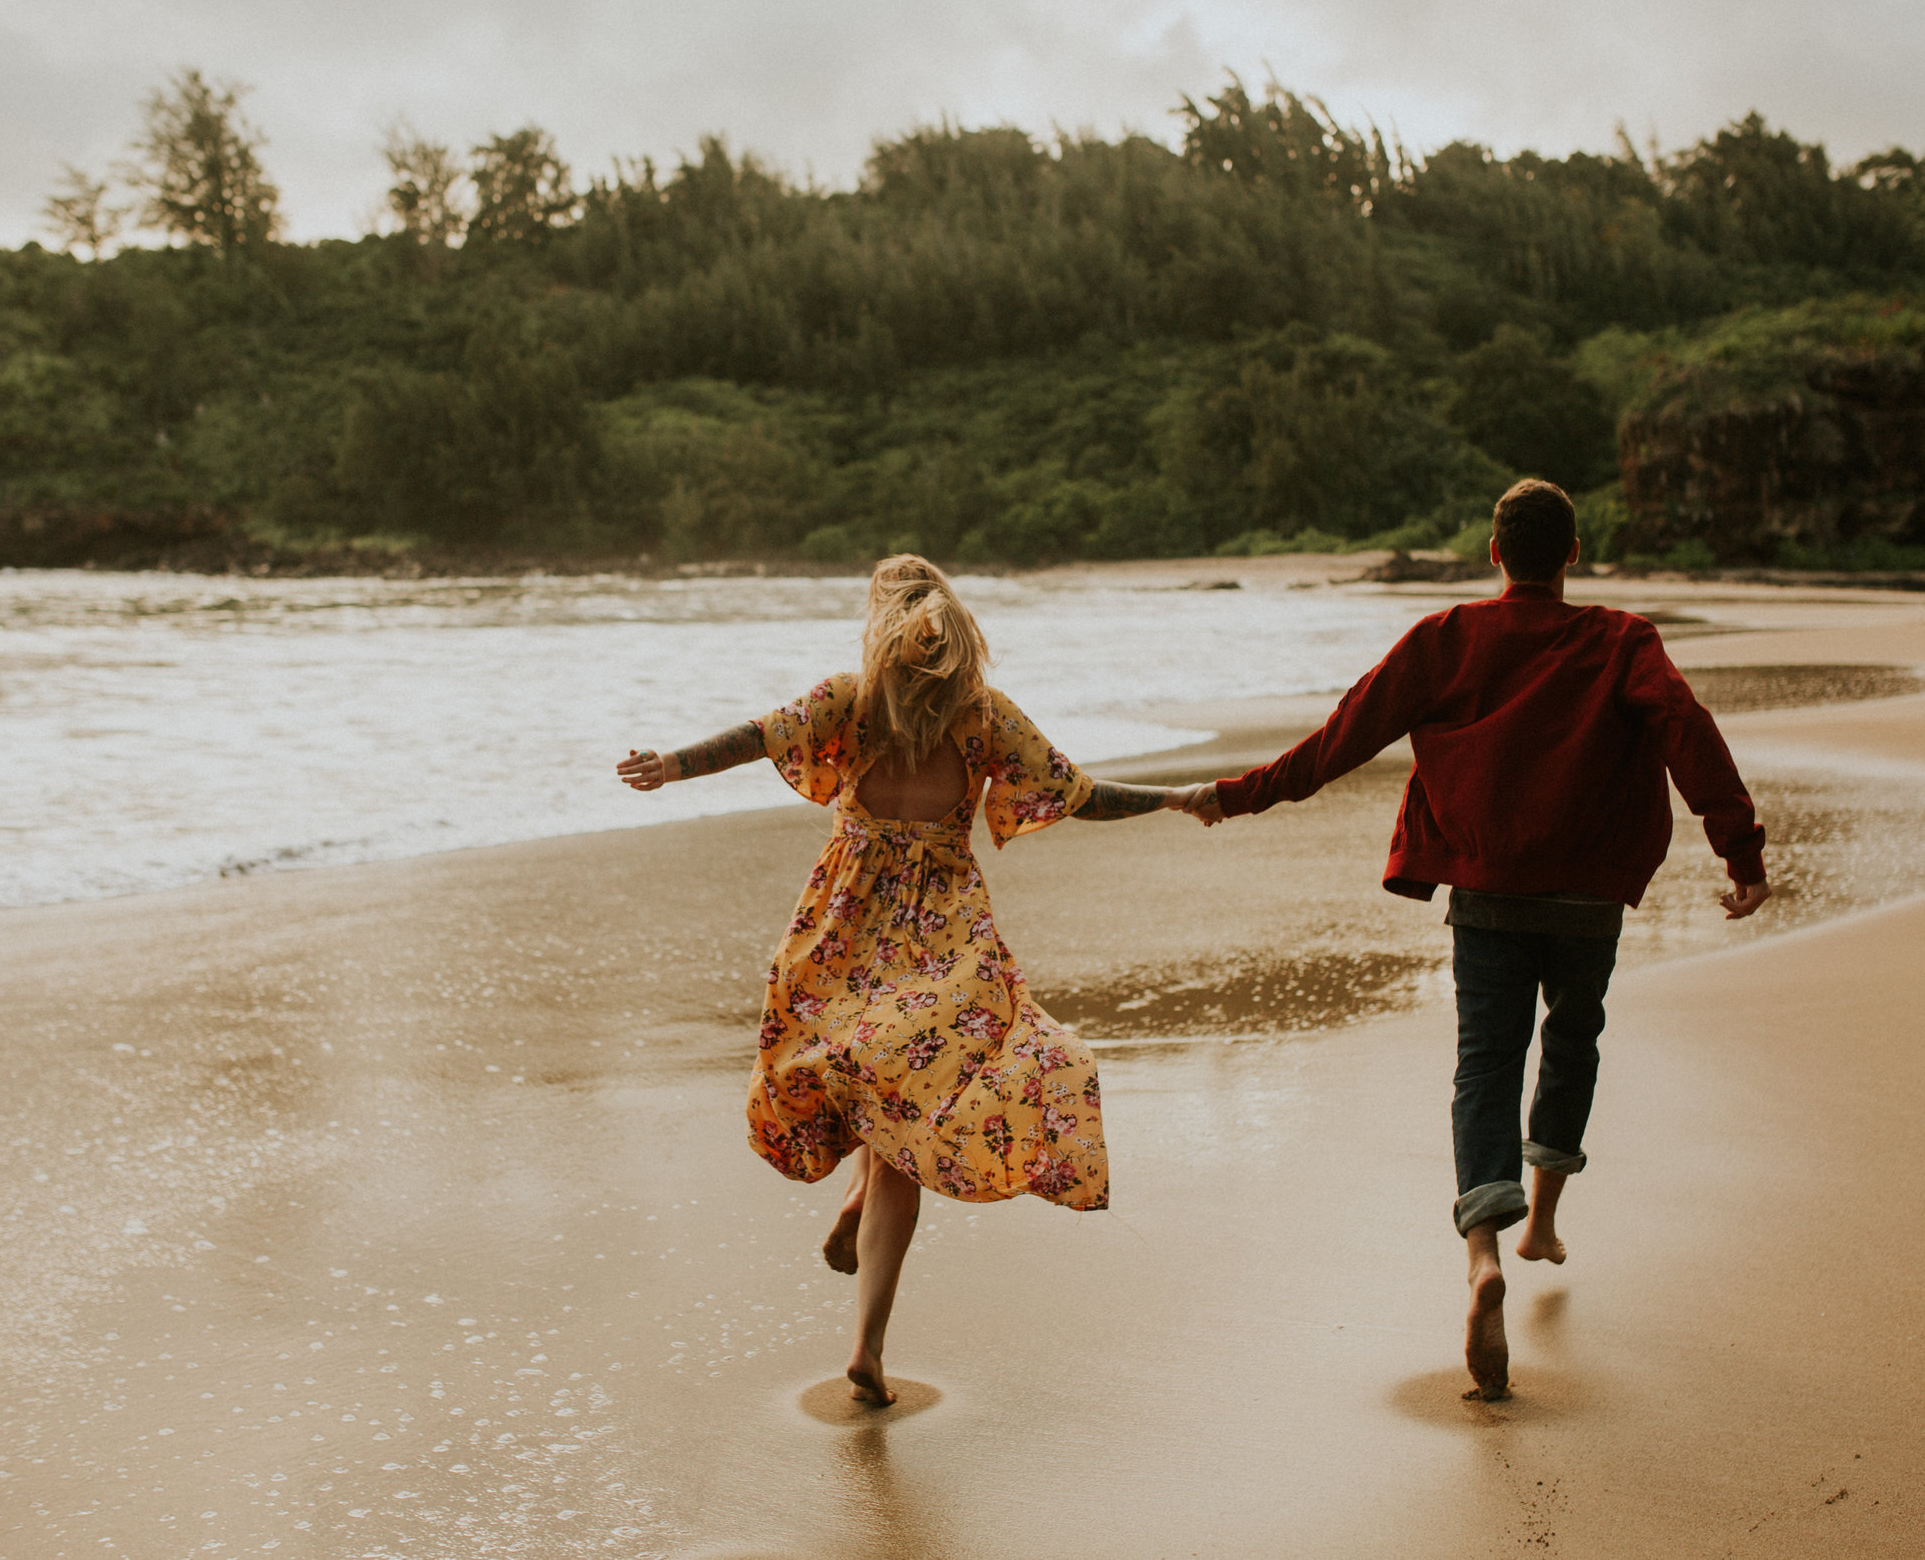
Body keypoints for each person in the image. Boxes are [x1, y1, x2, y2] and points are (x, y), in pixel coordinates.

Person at [1184, 479, 1771, 1399]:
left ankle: (1484, 1255)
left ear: (1494, 553)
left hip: (1488, 890)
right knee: (1574, 1037)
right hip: (1586, 894)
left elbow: (1341, 737)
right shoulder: (1622, 639)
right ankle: (1542, 1217)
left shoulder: (1445, 639)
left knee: (1485, 1063)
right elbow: (1687, 732)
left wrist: (1236, 793)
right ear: (1573, 555)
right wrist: (1739, 849)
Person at [616, 555, 1196, 1405]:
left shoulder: (848, 700)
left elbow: (755, 737)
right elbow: (1078, 793)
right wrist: (1175, 796)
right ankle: (868, 1344)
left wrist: (669, 765)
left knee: (863, 1074)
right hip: (945, 944)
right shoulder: (982, 717)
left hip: (842, 930)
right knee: (908, 1114)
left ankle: (860, 1228)